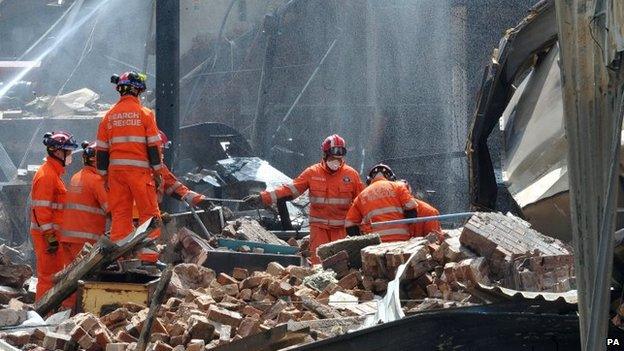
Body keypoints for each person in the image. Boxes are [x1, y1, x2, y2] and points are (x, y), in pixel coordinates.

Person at [243, 134, 364, 264]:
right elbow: (290, 189)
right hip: (319, 229)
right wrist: (262, 197)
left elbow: (362, 201)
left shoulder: (351, 175)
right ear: (324, 154)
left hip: (341, 230)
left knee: (342, 265)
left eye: (339, 159)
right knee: (318, 265)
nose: (336, 162)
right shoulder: (313, 173)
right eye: (332, 157)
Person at [96, 71, 162, 263]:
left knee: (120, 215)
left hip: (116, 175)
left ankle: (119, 257)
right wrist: (157, 172)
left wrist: (104, 177)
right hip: (140, 173)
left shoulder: (108, 117)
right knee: (149, 213)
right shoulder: (145, 114)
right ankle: (148, 257)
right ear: (137, 90)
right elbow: (153, 147)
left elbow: (101, 151)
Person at [59, 141, 108, 310]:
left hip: (68, 237)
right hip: (85, 240)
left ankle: (65, 313)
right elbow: (110, 209)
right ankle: (79, 315)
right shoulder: (96, 181)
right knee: (85, 278)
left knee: (70, 279)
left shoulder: (76, 176)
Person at [30, 131, 78, 300]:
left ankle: (50, 314)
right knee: (48, 278)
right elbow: (42, 210)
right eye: (68, 152)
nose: (70, 156)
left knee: (55, 276)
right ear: (58, 152)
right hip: (47, 238)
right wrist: (50, 237)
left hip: (53, 237)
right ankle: (43, 315)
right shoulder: (46, 176)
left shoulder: (53, 174)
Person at [344, 164, 418, 242]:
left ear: (369, 180)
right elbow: (411, 209)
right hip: (400, 241)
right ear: (391, 177)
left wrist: (361, 240)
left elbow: (349, 224)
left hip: (375, 244)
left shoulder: (361, 196)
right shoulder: (398, 187)